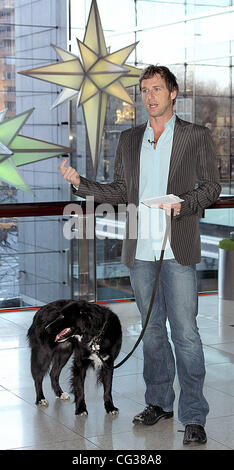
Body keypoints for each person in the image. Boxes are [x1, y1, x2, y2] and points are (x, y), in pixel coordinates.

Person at [59, 65, 221, 446]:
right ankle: (159, 402)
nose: (150, 96)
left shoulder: (195, 135)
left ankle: (194, 416)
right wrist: (82, 184)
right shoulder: (130, 140)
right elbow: (119, 190)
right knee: (151, 333)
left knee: (186, 335)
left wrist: (184, 204)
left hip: (176, 248)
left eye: (157, 89)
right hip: (141, 251)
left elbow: (212, 186)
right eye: (145, 90)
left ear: (173, 93)